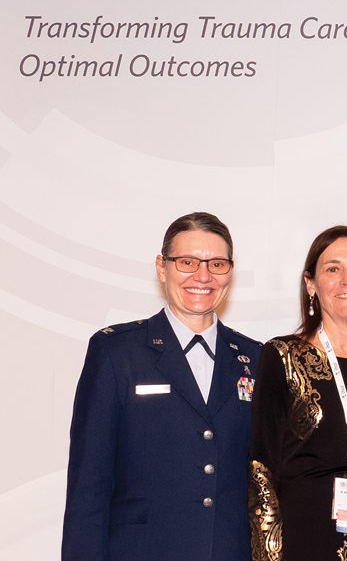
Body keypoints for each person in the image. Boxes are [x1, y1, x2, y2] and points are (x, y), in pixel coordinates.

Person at [62, 212, 261, 561]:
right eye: (187, 262)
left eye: (217, 264)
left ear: (230, 271)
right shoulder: (117, 351)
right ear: (161, 267)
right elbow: (88, 489)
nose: (203, 276)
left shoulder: (255, 357)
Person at [248, 226, 347, 561]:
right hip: (302, 543)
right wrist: (269, 553)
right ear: (311, 284)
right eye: (332, 269)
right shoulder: (282, 357)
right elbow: (260, 470)